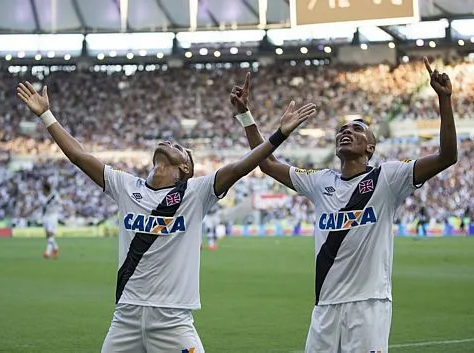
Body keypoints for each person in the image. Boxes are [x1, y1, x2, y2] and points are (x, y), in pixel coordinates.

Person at [16, 81, 316, 352]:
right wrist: (46, 116)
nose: (171, 143)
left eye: (180, 148)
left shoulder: (196, 193)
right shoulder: (125, 186)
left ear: (185, 168)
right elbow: (80, 157)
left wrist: (279, 133)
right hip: (126, 318)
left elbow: (242, 166)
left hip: (172, 320)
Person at [231, 58, 457, 352]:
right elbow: (268, 164)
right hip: (325, 307)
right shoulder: (320, 181)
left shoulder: (388, 178)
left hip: (368, 306)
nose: (346, 132)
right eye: (342, 130)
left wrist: (444, 100)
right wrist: (247, 116)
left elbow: (447, 156)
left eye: (357, 129)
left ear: (370, 148)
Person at [26, 181, 70, 259]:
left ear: (46, 189)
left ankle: (48, 252)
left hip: (53, 216)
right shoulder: (41, 197)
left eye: (43, 189)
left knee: (50, 233)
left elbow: (61, 203)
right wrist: (28, 212)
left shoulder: (54, 196)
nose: (42, 190)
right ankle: (56, 248)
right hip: (45, 217)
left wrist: (68, 210)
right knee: (48, 235)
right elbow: (36, 205)